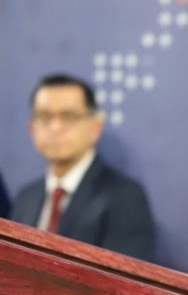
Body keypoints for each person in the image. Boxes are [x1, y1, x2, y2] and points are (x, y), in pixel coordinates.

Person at [10, 73, 156, 262]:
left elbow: (125, 276)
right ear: (32, 128)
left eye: (68, 116)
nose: (55, 128)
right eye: (45, 117)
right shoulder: (26, 198)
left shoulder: (124, 197)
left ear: (95, 127)